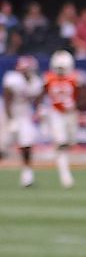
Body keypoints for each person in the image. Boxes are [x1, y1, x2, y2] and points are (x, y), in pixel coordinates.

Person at [41, 50, 86, 188]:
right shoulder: (49, 78)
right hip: (56, 113)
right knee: (61, 143)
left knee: (70, 142)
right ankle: (65, 175)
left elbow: (85, 98)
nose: (60, 71)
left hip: (71, 114)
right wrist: (41, 109)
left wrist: (75, 104)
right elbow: (40, 95)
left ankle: (64, 166)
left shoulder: (75, 78)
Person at [3, 54, 43, 187]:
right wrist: (11, 120)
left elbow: (37, 99)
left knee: (27, 143)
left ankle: (27, 175)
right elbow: (7, 101)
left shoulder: (36, 81)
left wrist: (39, 110)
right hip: (8, 112)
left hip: (24, 112)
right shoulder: (12, 79)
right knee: (2, 146)